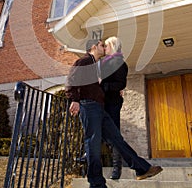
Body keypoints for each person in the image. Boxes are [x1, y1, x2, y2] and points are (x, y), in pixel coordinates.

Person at [65, 39, 162, 188]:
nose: (104, 48)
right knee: (93, 143)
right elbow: (71, 80)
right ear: (93, 47)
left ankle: (141, 168)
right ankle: (97, 183)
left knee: (117, 139)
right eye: (101, 45)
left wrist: (113, 91)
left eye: (105, 45)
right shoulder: (84, 62)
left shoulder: (96, 65)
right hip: (89, 106)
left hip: (99, 108)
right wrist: (75, 100)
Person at [98, 36, 128, 179]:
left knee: (115, 134)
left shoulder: (120, 63)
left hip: (113, 103)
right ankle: (88, 155)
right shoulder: (104, 62)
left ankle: (117, 168)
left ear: (113, 46)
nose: (104, 48)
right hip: (102, 102)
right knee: (99, 130)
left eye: (107, 46)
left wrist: (103, 84)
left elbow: (120, 84)